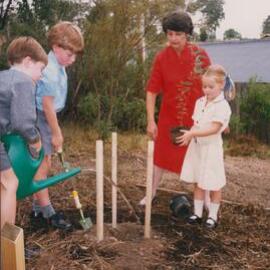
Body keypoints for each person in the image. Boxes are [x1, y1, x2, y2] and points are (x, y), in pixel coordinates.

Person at [140, 11, 211, 205]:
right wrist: (150, 121)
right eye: (170, 33)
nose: (173, 38)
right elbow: (152, 91)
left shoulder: (200, 56)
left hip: (196, 120)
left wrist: (214, 119)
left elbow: (212, 87)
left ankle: (204, 200)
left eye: (178, 34)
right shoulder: (162, 58)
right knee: (159, 157)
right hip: (169, 118)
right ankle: (151, 192)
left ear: (187, 33)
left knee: (199, 160)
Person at [32, 21, 84, 230]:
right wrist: (56, 133)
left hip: (47, 115)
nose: (72, 60)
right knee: (42, 165)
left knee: (45, 163)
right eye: (69, 54)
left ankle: (37, 207)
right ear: (56, 47)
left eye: (75, 55)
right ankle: (48, 213)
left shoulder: (57, 64)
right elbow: (47, 105)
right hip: (41, 117)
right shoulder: (51, 70)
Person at [179, 64, 235, 229]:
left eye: (211, 87)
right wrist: (189, 134)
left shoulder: (222, 106)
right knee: (198, 181)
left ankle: (212, 216)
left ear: (221, 85)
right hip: (197, 148)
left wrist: (192, 134)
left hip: (211, 150)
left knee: (213, 184)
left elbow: (214, 128)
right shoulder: (200, 102)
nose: (207, 90)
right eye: (204, 86)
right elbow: (197, 124)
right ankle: (197, 213)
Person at [0, 36, 47, 229]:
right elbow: (22, 122)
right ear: (28, 61)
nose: (41, 76)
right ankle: (7, 248)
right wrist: (35, 141)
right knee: (9, 183)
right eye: (41, 69)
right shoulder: (24, 82)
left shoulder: (3, 76)